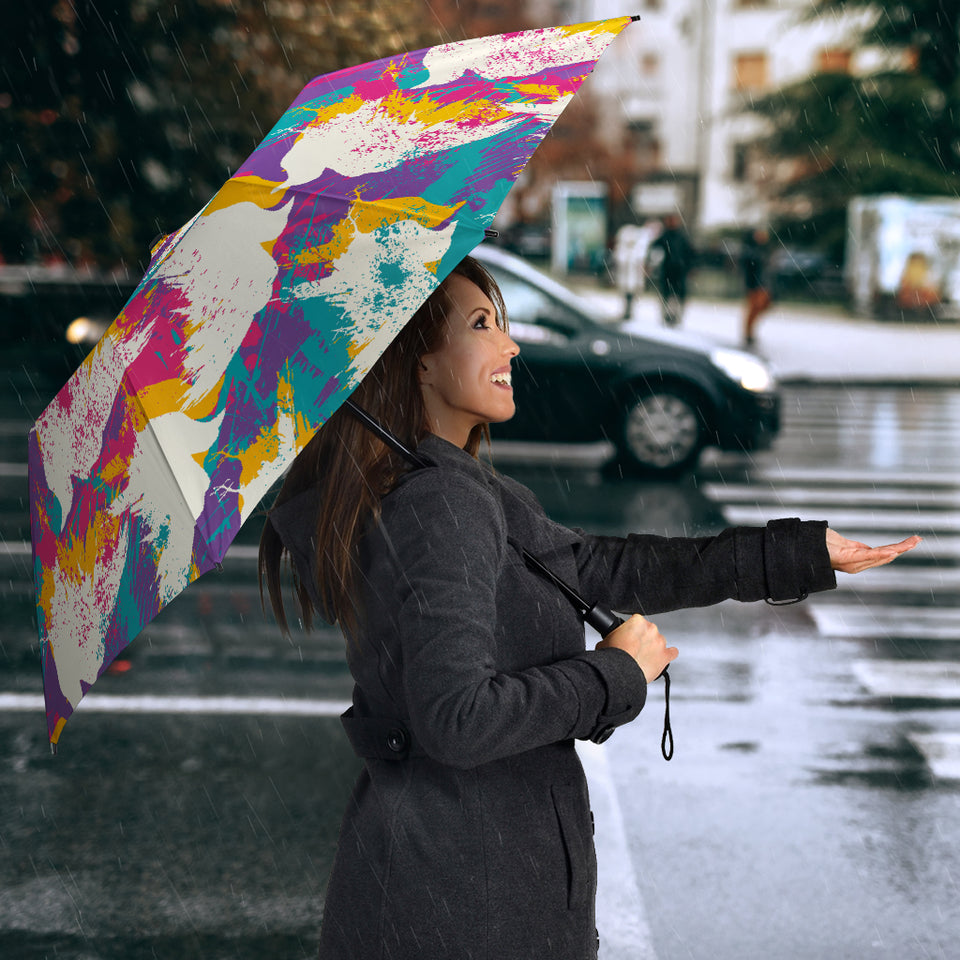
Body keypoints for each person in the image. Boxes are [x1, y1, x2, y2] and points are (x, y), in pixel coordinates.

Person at [258, 256, 920, 960]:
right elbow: (457, 720)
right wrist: (613, 673)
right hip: (466, 903)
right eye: (482, 325)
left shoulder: (450, 488)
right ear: (417, 363)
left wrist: (796, 554)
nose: (510, 345)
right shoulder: (439, 504)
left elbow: (603, 567)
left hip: (452, 884)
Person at [648, 213, 695, 327]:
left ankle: (675, 316)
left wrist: (690, 267)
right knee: (667, 294)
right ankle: (667, 315)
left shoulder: (681, 237)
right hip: (668, 270)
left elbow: (690, 253)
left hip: (679, 271)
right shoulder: (665, 236)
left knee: (677, 295)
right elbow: (654, 249)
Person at [741, 226, 773, 347]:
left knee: (762, 306)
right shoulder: (751, 250)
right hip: (755, 284)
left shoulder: (763, 249)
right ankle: (748, 333)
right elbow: (750, 265)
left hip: (763, 283)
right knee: (754, 308)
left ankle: (750, 331)